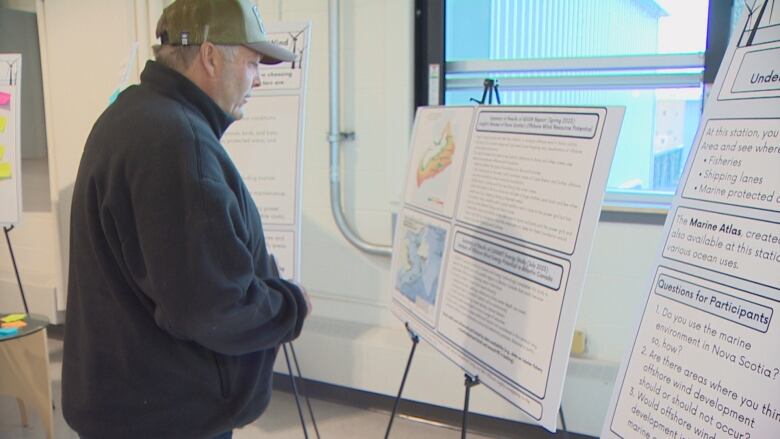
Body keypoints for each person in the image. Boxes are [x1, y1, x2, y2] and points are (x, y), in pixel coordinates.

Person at [61, 1, 311, 438]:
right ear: (211, 56)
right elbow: (211, 307)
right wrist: (291, 306)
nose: (258, 79)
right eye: (252, 64)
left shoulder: (131, 114)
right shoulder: (177, 142)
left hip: (130, 403)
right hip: (168, 419)